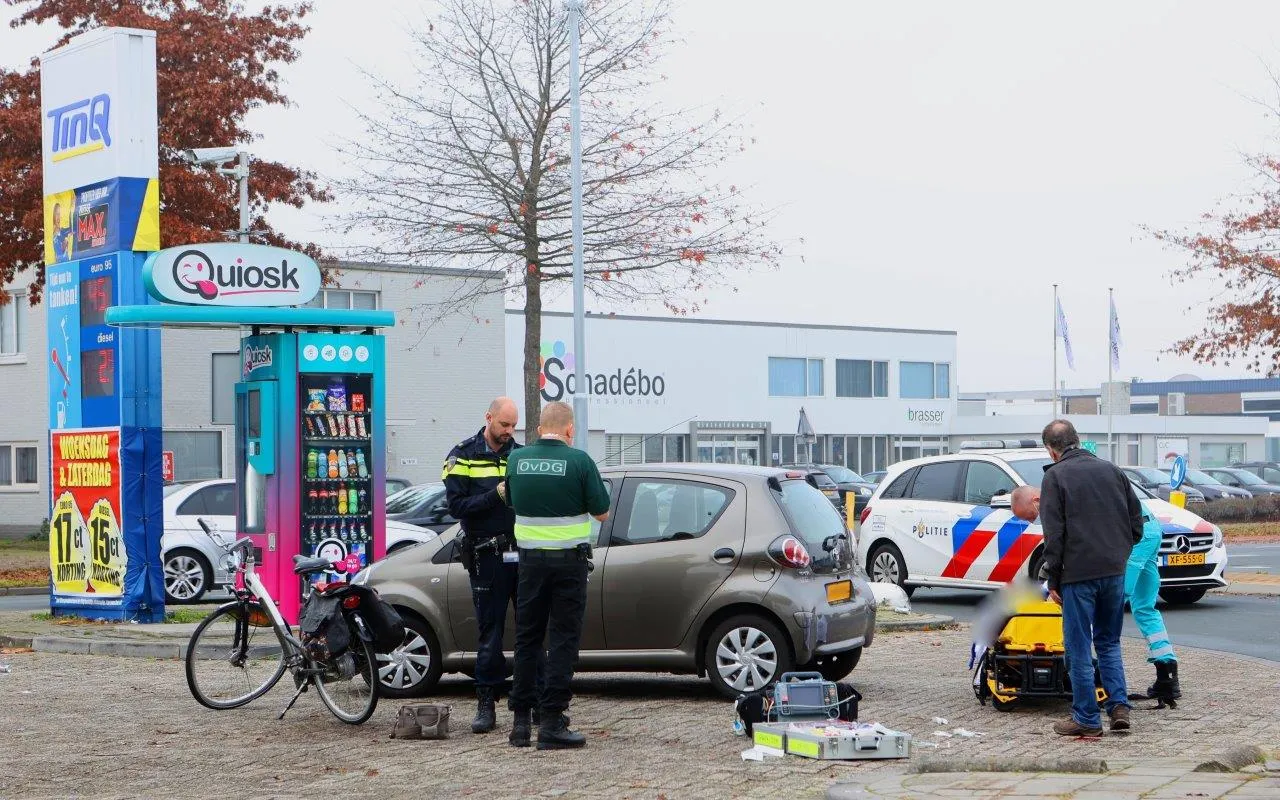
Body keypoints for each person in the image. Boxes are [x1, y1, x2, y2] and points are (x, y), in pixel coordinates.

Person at [1013, 484, 1180, 707]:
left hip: (1134, 538)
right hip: (1150, 530)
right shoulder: (1077, 486)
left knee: (1105, 605)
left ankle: (1100, 676)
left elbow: (1076, 537)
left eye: (1031, 516)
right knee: (1144, 607)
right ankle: (1167, 675)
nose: (1033, 520)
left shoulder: (1059, 497)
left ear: (1036, 500)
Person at [504, 401, 610, 750]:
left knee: (527, 639)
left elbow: (511, 501)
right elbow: (602, 513)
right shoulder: (580, 461)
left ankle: (520, 723)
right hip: (568, 566)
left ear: (538, 429)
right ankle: (551, 722)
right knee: (563, 640)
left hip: (529, 565)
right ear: (570, 430)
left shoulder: (517, 460)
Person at [1038, 419, 1142, 736]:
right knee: (1109, 642)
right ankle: (1119, 706)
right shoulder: (1112, 471)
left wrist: (1053, 579)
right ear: (1078, 439)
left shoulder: (1055, 477)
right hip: (1114, 571)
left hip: (1077, 574)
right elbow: (1136, 522)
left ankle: (1086, 718)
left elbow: (1054, 534)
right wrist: (1119, 553)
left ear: (1051, 450)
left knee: (1079, 647)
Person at [442, 396, 526, 734]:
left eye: (513, 426)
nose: (509, 431)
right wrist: (496, 496)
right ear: (488, 418)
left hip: (522, 553)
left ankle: (529, 702)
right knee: (489, 632)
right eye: (504, 424)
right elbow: (456, 507)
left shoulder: (521, 455)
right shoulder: (463, 455)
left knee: (530, 630)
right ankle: (486, 702)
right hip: (487, 555)